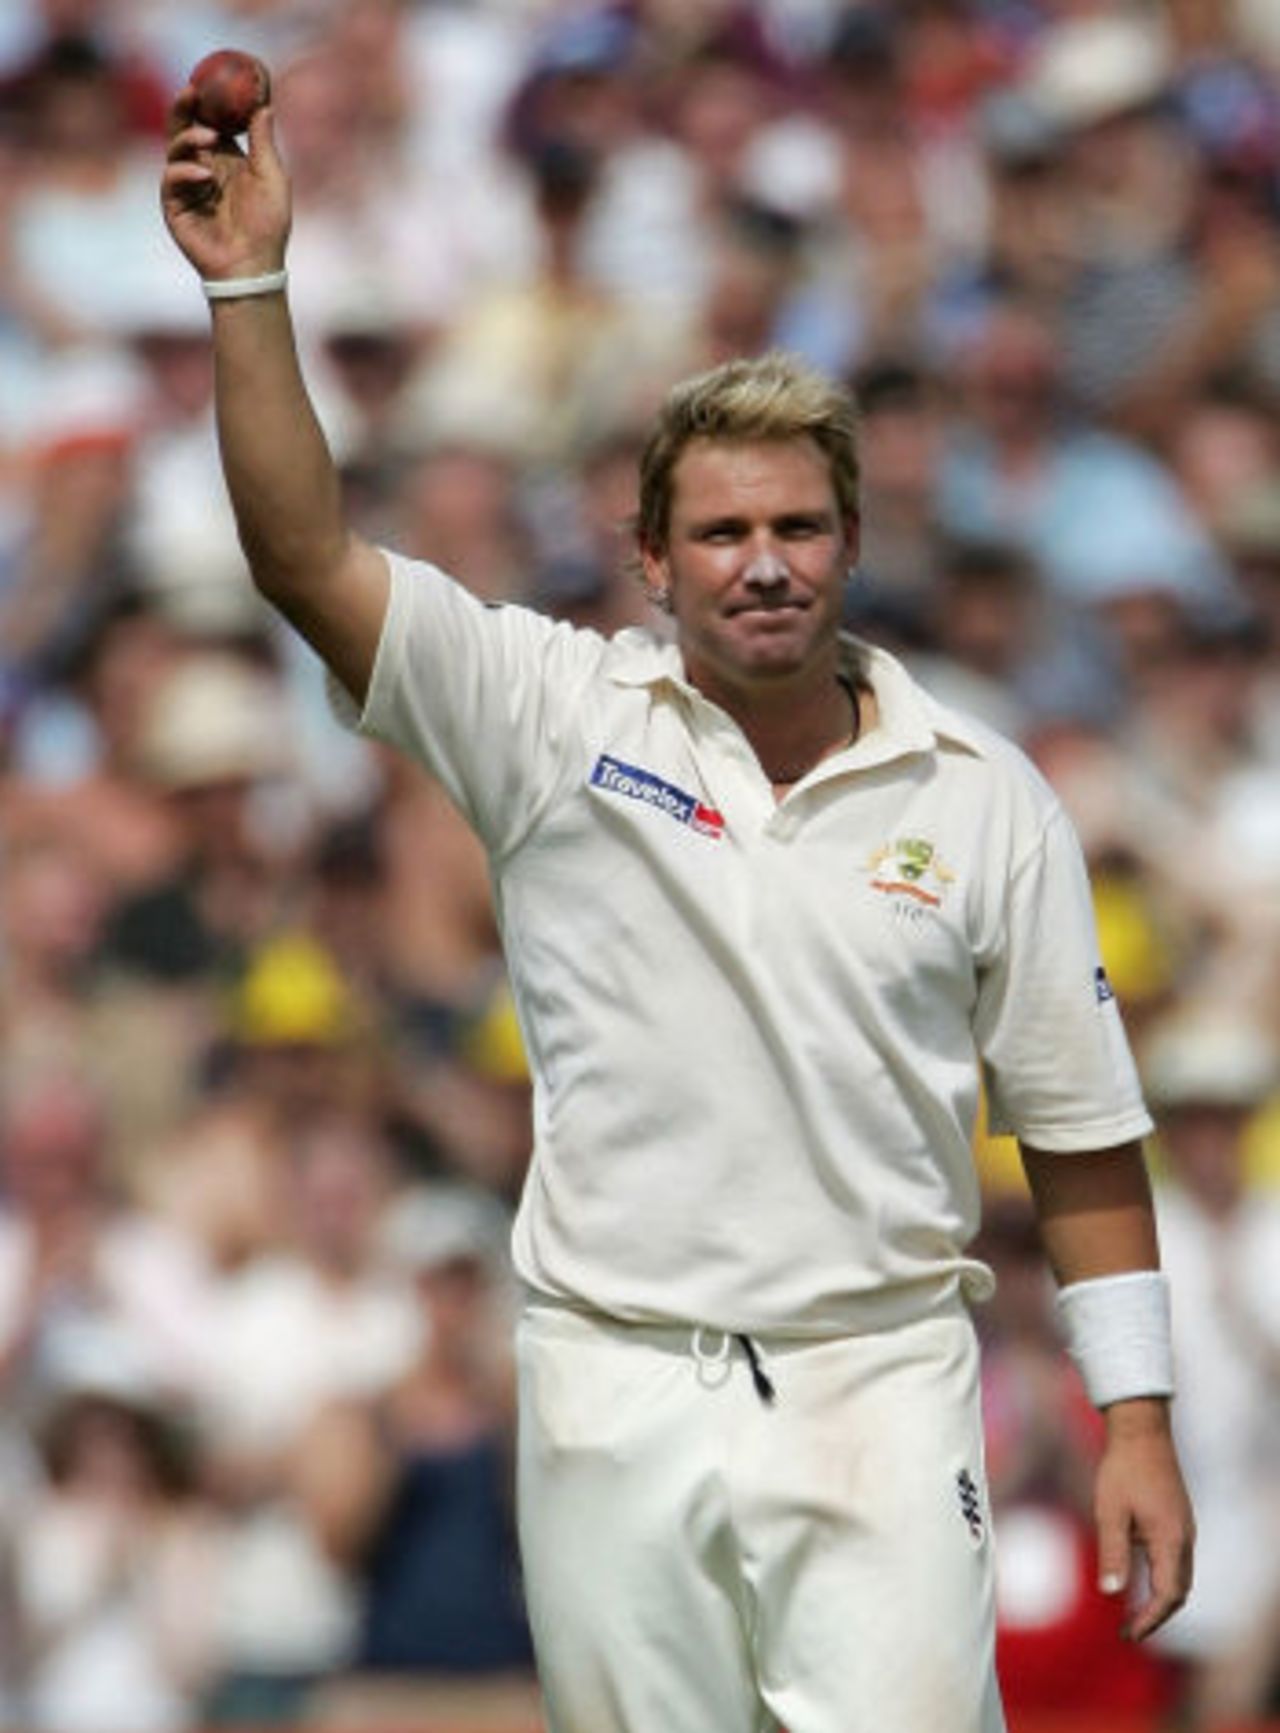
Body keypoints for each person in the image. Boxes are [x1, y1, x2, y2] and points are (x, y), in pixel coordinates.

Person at [160, 86, 1195, 1733]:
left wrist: (1135, 1418)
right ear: (652, 559)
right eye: (721, 533)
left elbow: (1079, 1134)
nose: (763, 563)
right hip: (614, 1381)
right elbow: (303, 558)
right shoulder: (549, 713)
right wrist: (248, 288)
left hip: (880, 1375)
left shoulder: (984, 791)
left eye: (797, 527)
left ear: (851, 541)